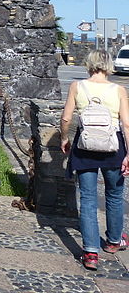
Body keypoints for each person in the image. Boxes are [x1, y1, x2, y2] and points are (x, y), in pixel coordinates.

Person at [61, 49, 129, 270]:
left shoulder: (77, 87)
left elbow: (66, 118)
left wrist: (64, 138)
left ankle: (90, 252)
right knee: (115, 195)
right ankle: (113, 241)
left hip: (85, 146)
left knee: (88, 199)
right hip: (113, 146)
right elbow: (126, 125)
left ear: (89, 64)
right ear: (109, 65)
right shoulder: (119, 90)